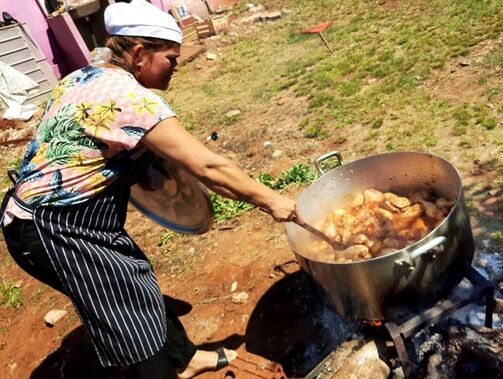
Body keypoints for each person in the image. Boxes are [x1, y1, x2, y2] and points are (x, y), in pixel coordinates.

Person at [0, 0, 297, 378]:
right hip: (54, 231)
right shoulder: (133, 101)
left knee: (135, 283)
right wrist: (273, 201)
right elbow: (207, 167)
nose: (176, 65)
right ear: (139, 53)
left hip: (59, 221)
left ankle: (186, 358)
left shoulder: (81, 77)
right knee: (132, 328)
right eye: (171, 58)